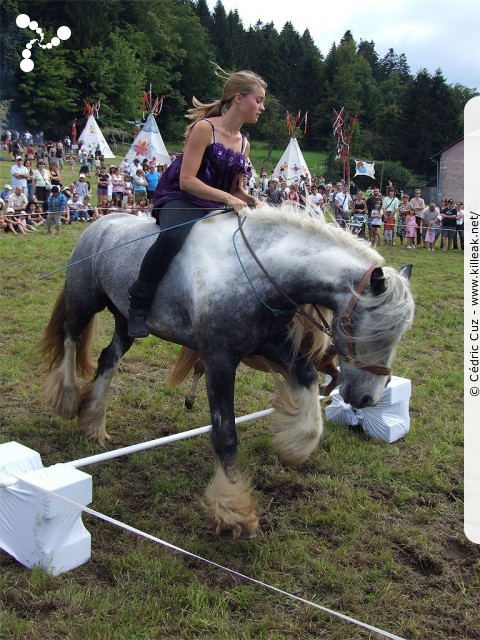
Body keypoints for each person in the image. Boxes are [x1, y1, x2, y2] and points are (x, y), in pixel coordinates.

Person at [127, 65, 266, 338]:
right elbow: (187, 180)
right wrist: (228, 197)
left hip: (214, 203)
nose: (261, 107)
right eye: (258, 100)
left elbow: (235, 189)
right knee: (172, 238)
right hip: (182, 197)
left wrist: (251, 200)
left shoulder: (244, 143)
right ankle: (138, 304)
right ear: (238, 98)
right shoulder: (205, 129)